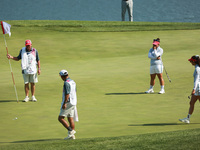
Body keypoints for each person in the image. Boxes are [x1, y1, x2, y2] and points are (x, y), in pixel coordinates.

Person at [179, 55, 200, 124]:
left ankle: (187, 118)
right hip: (197, 87)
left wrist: (194, 89)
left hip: (198, 88)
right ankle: (187, 119)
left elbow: (197, 80)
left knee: (192, 102)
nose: (190, 62)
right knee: (191, 103)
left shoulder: (197, 69)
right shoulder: (197, 68)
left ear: (194, 61)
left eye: (191, 61)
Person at [58, 70, 78, 140]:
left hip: (68, 102)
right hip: (73, 102)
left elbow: (67, 94)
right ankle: (71, 136)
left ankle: (71, 131)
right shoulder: (73, 81)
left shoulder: (66, 83)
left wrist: (64, 103)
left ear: (62, 76)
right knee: (70, 118)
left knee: (60, 118)